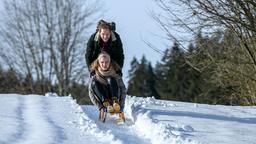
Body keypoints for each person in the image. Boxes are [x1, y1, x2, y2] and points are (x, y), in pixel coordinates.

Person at [88, 52, 126, 122]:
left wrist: (121, 105)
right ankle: (106, 102)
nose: (104, 64)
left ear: (110, 62)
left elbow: (123, 89)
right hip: (103, 99)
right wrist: (100, 106)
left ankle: (115, 102)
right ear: (98, 62)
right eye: (102, 62)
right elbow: (91, 93)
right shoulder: (95, 75)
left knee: (111, 79)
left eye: (106, 62)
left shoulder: (116, 73)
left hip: (115, 96)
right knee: (94, 83)